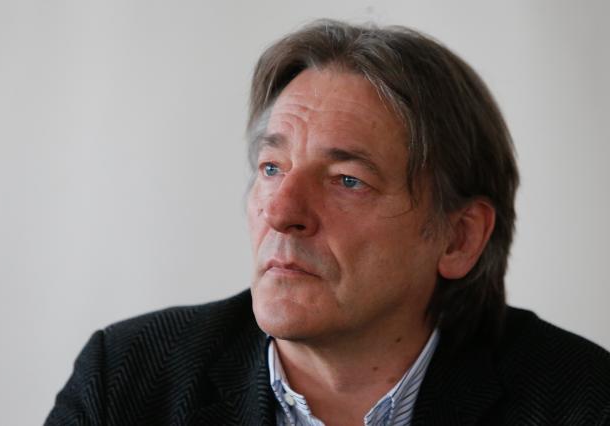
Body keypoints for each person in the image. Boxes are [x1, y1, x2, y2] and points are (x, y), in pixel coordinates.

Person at [46, 19, 610, 426]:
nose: (280, 212)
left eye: (346, 180)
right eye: (272, 168)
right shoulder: (126, 380)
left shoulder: (582, 402)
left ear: (458, 238)